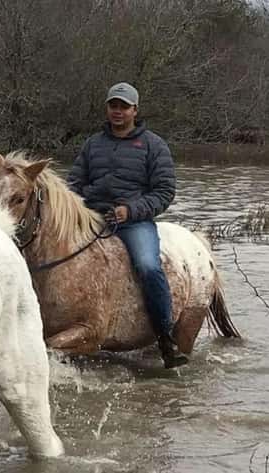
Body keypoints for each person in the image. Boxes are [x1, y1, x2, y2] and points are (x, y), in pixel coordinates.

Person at [68, 82, 188, 369]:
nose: (118, 111)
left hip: (134, 222)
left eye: (124, 106)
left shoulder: (153, 145)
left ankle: (165, 337)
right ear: (107, 108)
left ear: (135, 110)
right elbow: (74, 183)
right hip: (93, 218)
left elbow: (164, 192)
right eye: (113, 105)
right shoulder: (92, 144)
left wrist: (130, 210)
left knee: (148, 266)